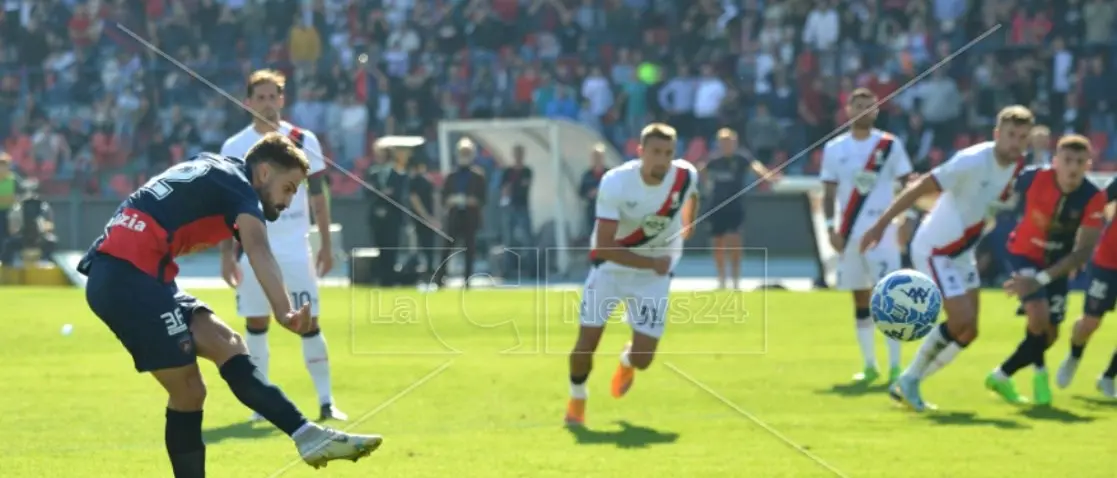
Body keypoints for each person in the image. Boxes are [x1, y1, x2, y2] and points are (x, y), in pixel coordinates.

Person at [78, 133, 381, 477]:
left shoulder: (217, 168)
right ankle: (307, 436)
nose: (289, 200)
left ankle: (307, 435)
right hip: (128, 276)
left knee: (228, 344)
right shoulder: (241, 187)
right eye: (289, 188)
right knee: (189, 391)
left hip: (139, 273)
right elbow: (258, 249)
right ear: (264, 173)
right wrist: (284, 310)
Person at [860, 105, 1034, 412]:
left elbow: (990, 199)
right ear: (997, 135)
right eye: (1010, 135)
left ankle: (909, 382)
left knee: (970, 331)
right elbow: (921, 188)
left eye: (1022, 137)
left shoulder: (1016, 164)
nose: (1016, 142)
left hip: (961, 251)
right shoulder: (971, 161)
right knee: (960, 320)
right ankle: (910, 380)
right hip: (935, 249)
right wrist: (880, 224)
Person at [218, 69, 346, 422]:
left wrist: (324, 244)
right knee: (256, 324)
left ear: (282, 99)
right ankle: (261, 406)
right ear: (247, 102)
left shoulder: (303, 139)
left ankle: (326, 401)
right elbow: (225, 205)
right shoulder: (234, 147)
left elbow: (318, 195)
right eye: (260, 97)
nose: (267, 103)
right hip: (251, 250)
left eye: (273, 96)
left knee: (310, 321)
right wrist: (227, 254)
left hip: (295, 248)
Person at [565, 123, 700, 426]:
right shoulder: (615, 183)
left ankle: (627, 360)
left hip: (654, 276)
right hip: (611, 270)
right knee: (586, 344)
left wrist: (688, 224)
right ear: (640, 152)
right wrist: (651, 264)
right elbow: (603, 248)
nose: (662, 160)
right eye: (655, 152)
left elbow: (692, 194)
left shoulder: (685, 175)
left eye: (668, 153)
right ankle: (578, 396)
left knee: (644, 359)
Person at [990, 135, 1104, 406]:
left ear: (1088, 164)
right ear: (1055, 162)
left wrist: (1042, 278)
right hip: (1023, 253)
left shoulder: (1093, 197)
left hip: (1056, 265)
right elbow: (996, 189)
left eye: (1079, 161)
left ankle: (1001, 374)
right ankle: (1041, 376)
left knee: (1050, 334)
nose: (1073, 168)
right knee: (1038, 317)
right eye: (1067, 161)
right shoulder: (1032, 178)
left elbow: (1085, 250)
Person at [819, 88, 913, 385]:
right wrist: (831, 226)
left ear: (877, 111)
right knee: (860, 296)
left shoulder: (889, 145)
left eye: (869, 106)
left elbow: (907, 183)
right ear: (848, 110)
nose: (864, 111)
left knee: (889, 297)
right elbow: (829, 191)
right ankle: (870, 364)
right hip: (849, 234)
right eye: (858, 105)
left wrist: (906, 219)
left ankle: (896, 366)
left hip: (882, 231)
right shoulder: (835, 148)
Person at [1052, 173, 1117, 398]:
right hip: (1109, 261)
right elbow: (1098, 205)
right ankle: (1074, 355)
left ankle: (1108, 377)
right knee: (1090, 322)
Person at [702, 128, 778, 290]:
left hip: (735, 206)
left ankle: (736, 279)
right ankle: (721, 279)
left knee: (735, 242)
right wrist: (705, 186)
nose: (726, 145)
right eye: (723, 142)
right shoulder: (714, 160)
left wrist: (769, 177)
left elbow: (757, 168)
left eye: (729, 142)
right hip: (716, 205)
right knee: (718, 243)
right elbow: (701, 172)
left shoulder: (742, 158)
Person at [432, 138, 487, 289]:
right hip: (454, 216)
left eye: (467, 153)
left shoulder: (478, 176)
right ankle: (440, 278)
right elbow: (444, 198)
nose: (464, 155)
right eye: (462, 152)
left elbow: (482, 199)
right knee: (446, 249)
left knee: (470, 250)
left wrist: (469, 200)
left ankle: (467, 280)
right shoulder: (451, 176)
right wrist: (452, 200)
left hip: (470, 217)